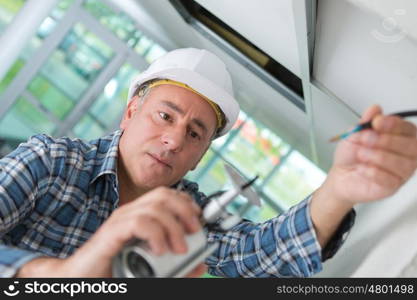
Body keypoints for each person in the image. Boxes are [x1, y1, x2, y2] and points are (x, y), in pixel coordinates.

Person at [0, 48, 416, 278]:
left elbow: (264, 254)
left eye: (195, 133)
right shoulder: (49, 163)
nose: (174, 138)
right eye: (166, 116)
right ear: (130, 112)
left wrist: (340, 188)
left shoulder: (194, 217)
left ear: (201, 155)